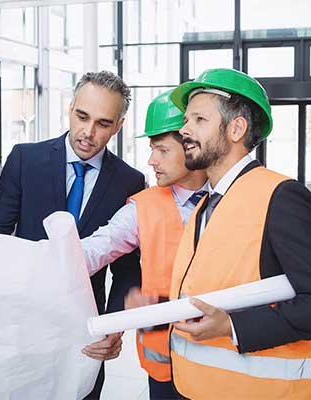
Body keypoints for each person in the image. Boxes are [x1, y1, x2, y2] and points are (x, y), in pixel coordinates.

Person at [167, 68, 311, 399]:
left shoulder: (282, 197)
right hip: (198, 388)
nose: (184, 129)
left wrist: (232, 326)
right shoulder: (206, 206)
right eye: (186, 120)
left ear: (236, 128)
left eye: (198, 120)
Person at [0, 71, 145, 399]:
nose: (88, 132)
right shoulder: (25, 159)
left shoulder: (130, 180)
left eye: (103, 123)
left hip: (85, 330)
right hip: (21, 321)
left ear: (119, 125)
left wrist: (112, 325)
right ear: (70, 108)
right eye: (82, 116)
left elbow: (126, 269)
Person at [81, 90, 206, 399]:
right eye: (152, 149)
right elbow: (98, 247)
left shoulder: (234, 200)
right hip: (165, 369)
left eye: (162, 150)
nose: (152, 161)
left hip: (224, 364)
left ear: (191, 145)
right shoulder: (143, 207)